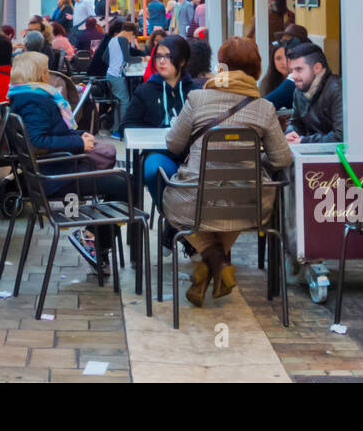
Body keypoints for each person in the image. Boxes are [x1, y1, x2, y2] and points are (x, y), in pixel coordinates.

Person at [163, 37, 293, 307]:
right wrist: (252, 161)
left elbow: (173, 144)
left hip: (195, 202)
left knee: (187, 197)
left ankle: (213, 262)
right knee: (231, 202)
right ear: (257, 70)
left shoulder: (197, 99)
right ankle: (216, 263)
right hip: (248, 205)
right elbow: (282, 159)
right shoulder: (265, 108)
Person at [6, 51, 125, 276]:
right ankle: (94, 239)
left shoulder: (23, 97)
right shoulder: (34, 101)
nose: (48, 75)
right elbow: (38, 141)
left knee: (122, 181)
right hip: (54, 176)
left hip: (51, 170)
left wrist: (79, 136)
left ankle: (97, 240)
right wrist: (79, 143)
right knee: (123, 184)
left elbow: (48, 133)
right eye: (44, 71)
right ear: (37, 74)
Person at [123, 35, 196, 206]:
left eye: (168, 57)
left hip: (192, 156)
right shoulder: (145, 90)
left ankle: (190, 218)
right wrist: (151, 137)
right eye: (158, 56)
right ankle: (170, 216)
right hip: (160, 154)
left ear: (182, 61)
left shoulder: (195, 92)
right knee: (155, 169)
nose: (162, 61)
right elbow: (126, 126)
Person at [285, 42, 344, 145]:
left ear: (317, 68)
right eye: (292, 70)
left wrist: (304, 141)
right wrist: (291, 132)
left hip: (337, 157)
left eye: (299, 69)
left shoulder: (337, 90)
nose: (293, 75)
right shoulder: (299, 90)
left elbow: (342, 136)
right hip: (312, 154)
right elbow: (295, 123)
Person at [104, 21, 144, 138]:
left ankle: (116, 129)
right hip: (117, 76)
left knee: (118, 102)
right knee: (125, 102)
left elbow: (105, 57)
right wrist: (142, 58)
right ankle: (123, 130)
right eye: (133, 36)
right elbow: (128, 58)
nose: (132, 39)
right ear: (130, 33)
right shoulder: (123, 40)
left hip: (110, 74)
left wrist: (114, 64)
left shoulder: (113, 40)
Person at [260, 39, 297, 110]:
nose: (284, 62)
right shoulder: (266, 82)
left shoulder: (296, 82)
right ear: (273, 62)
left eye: (288, 57)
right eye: (278, 58)